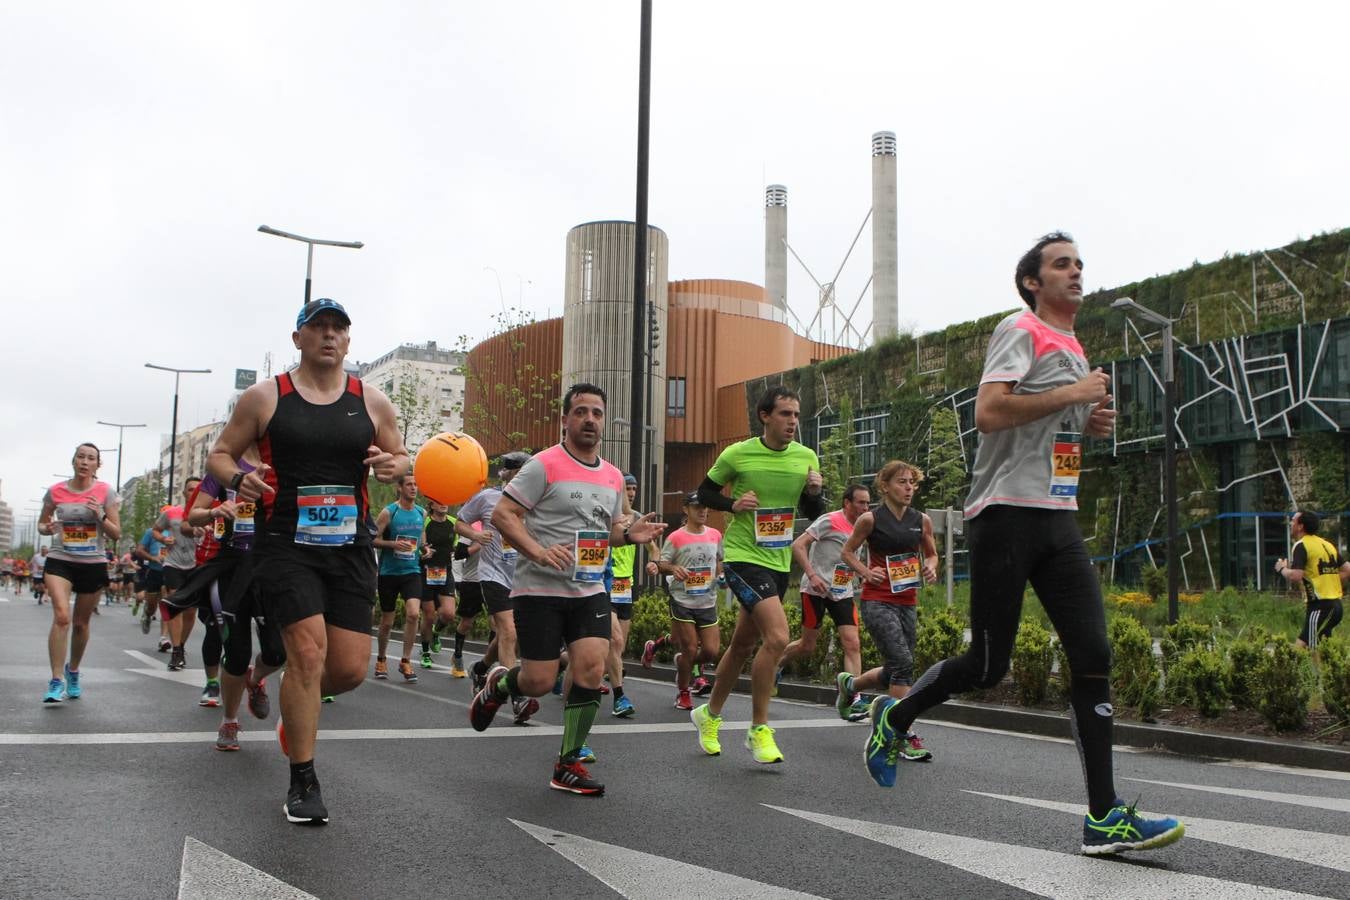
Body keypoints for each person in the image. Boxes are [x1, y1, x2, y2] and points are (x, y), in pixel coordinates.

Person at [861, 232, 1183, 855]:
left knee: (1093, 655)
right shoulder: (1021, 329)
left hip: (1057, 517)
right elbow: (989, 412)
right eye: (1062, 264)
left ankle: (1103, 816)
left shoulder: (1073, 345)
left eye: (1080, 263)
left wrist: (1085, 422)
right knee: (987, 666)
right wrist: (1074, 395)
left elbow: (1046, 424)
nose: (1077, 272)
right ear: (1033, 281)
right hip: (1004, 516)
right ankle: (893, 718)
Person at [208, 297, 408, 825]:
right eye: (317, 327)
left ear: (348, 340)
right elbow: (220, 455)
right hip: (286, 544)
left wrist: (393, 463)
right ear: (298, 338)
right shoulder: (266, 396)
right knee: (306, 651)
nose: (328, 335)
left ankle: (296, 713)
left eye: (338, 328)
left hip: (350, 547)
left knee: (346, 669)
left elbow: (401, 456)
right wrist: (236, 479)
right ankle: (303, 780)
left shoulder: (373, 400)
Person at [470, 382, 666, 796]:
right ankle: (499, 684)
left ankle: (568, 761)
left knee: (593, 666)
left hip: (589, 587)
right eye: (581, 411)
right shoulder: (543, 465)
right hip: (538, 588)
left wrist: (631, 534)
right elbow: (505, 516)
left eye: (596, 412)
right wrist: (538, 552)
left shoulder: (612, 476)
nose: (590, 419)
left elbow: (609, 529)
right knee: (539, 681)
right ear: (565, 419)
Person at [689, 385, 825, 764]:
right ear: (765, 416)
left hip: (779, 561)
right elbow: (704, 492)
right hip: (743, 556)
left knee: (744, 645)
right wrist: (734, 503)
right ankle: (759, 729)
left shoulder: (805, 457)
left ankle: (709, 714)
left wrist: (814, 492)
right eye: (785, 414)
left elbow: (814, 512)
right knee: (779, 637)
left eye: (797, 415)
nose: (793, 422)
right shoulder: (738, 453)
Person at [183, 453, 285, 751]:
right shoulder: (221, 469)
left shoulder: (281, 463)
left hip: (271, 566)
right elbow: (193, 515)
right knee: (237, 654)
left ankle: (255, 680)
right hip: (231, 567)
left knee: (278, 653)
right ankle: (229, 720)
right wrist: (216, 511)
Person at [837, 461, 937, 761]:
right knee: (904, 663)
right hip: (877, 600)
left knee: (896, 669)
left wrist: (931, 568)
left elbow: (931, 554)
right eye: (902, 482)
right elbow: (847, 552)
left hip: (907, 601)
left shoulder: (922, 520)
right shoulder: (870, 520)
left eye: (912, 483)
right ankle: (899, 733)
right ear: (885, 486)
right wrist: (866, 573)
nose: (909, 488)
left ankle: (850, 685)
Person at [37, 442, 122, 702]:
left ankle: (72, 670)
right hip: (61, 559)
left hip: (92, 562)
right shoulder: (55, 492)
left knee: (81, 623)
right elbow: (42, 523)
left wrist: (100, 515)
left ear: (98, 465)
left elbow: (116, 533)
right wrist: (46, 529)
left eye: (91, 458)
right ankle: (55, 681)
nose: (85, 462)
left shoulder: (106, 492)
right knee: (62, 616)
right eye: (81, 457)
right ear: (73, 461)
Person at [778, 483, 871, 720]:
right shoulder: (829, 520)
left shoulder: (866, 525)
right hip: (815, 590)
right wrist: (812, 574)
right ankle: (776, 664)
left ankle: (853, 698)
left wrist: (862, 573)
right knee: (807, 646)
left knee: (852, 643)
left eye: (868, 503)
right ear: (847, 503)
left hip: (842, 591)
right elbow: (798, 545)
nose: (865, 507)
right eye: (861, 502)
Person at [456, 453, 531, 721]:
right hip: (493, 574)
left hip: (521, 575)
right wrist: (475, 534)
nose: (525, 475)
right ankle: (517, 697)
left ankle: (481, 668)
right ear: (507, 473)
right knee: (508, 632)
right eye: (520, 470)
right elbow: (460, 522)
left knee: (508, 634)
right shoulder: (487, 497)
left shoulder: (535, 498)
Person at [654, 492, 724, 710]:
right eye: (697, 507)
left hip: (707, 600)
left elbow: (719, 561)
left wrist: (721, 576)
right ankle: (683, 692)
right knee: (691, 648)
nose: (702, 511)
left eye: (705, 507)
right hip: (682, 599)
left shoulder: (715, 535)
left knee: (711, 651)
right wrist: (674, 568)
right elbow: (660, 563)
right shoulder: (676, 537)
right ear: (686, 510)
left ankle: (683, 662)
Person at [605, 474, 662, 717]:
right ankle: (620, 696)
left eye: (634, 488)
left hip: (625, 587)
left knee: (618, 646)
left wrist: (654, 563)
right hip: (604, 584)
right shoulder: (607, 515)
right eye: (626, 488)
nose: (630, 493)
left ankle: (565, 664)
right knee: (614, 641)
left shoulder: (638, 518)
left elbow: (653, 548)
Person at [372, 473, 426, 683]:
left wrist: (425, 550)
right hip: (389, 573)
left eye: (416, 484)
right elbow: (373, 540)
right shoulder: (389, 512)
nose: (414, 488)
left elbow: (421, 539)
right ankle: (381, 659)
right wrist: (393, 545)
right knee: (387, 621)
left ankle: (405, 661)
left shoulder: (421, 512)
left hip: (411, 571)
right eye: (410, 485)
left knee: (413, 614)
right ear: (400, 488)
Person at [1275, 510, 1347, 652]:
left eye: (1293, 520)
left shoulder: (1301, 545)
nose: (1290, 523)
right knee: (1322, 650)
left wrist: (1282, 569)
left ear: (1300, 526)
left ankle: (1299, 673)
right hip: (1337, 606)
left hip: (1320, 606)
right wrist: (1326, 578)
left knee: (1303, 649)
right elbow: (1347, 570)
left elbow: (1296, 576)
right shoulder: (1326, 544)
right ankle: (1330, 673)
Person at [156, 480, 204, 671]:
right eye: (190, 489)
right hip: (173, 564)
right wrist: (163, 538)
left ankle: (181, 645)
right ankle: (176, 650)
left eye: (198, 489)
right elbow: (155, 530)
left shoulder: (209, 513)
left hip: (196, 564)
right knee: (175, 603)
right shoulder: (171, 513)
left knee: (191, 610)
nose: (194, 492)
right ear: (184, 492)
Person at [418, 501, 459, 668]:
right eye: (439, 502)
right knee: (428, 615)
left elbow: (456, 546)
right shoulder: (426, 521)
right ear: (431, 505)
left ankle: (436, 633)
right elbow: (421, 544)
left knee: (449, 614)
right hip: (425, 571)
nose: (444, 504)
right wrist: (424, 552)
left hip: (445, 572)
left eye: (445, 502)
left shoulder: (454, 522)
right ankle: (426, 652)